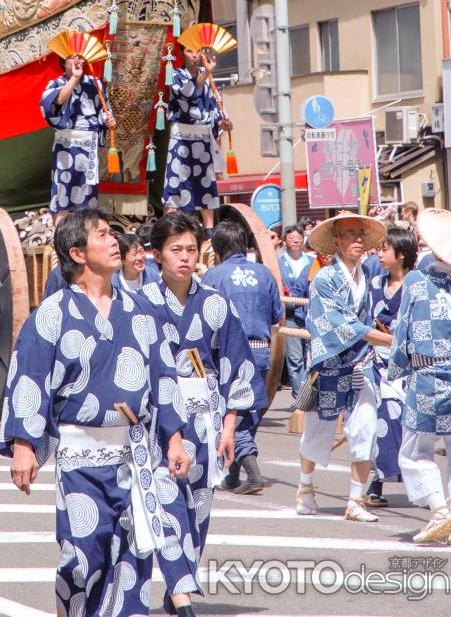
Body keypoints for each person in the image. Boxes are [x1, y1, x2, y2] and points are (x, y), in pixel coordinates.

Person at [0, 208, 194, 617]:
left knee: (131, 561)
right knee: (80, 560)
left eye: (112, 234)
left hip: (132, 457)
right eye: (102, 234)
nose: (113, 241)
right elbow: (29, 379)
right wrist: (24, 445)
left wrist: (174, 439)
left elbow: (164, 378)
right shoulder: (51, 315)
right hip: (80, 460)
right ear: (78, 253)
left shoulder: (141, 311)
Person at [139, 212, 264, 615]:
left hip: (206, 416)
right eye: (175, 250)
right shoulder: (140, 304)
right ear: (157, 254)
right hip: (159, 419)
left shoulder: (214, 302)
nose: (185, 257)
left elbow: (235, 364)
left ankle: (180, 581)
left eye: (191, 249)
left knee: (200, 508)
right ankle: (181, 593)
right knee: (167, 499)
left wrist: (229, 427)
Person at [296, 213, 392, 523]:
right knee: (317, 432)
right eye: (350, 234)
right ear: (337, 241)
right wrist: (388, 340)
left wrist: (381, 339)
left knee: (365, 427)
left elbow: (364, 322)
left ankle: (355, 500)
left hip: (360, 362)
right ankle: (305, 487)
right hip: (329, 364)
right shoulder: (325, 279)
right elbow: (339, 324)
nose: (358, 240)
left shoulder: (366, 274)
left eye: (360, 234)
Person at [389, 208, 451, 546]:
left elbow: (402, 330)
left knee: (413, 449)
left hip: (428, 372)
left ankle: (439, 511)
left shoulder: (417, 280)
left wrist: (397, 368)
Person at [202, 218, 283, 494]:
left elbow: (205, 319)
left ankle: (252, 473)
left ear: (217, 247)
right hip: (261, 351)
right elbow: (277, 315)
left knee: (233, 413)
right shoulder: (264, 273)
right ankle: (234, 474)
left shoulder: (214, 276)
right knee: (247, 414)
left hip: (230, 352)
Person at [364, 227, 419, 508]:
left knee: (410, 426)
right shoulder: (374, 284)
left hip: (412, 365)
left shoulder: (419, 285)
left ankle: (418, 482)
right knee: (379, 421)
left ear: (402, 253)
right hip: (376, 361)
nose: (380, 254)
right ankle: (377, 480)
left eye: (386, 249)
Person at [40, 47, 115, 221]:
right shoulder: (56, 83)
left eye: (79, 57)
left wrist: (108, 119)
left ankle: (85, 239)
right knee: (62, 192)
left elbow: (102, 110)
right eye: (71, 57)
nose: (76, 60)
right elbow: (55, 102)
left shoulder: (94, 83)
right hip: (67, 145)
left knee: (88, 194)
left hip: (88, 145)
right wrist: (74, 78)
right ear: (63, 62)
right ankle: (59, 236)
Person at [162, 45, 231, 231]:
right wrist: (206, 73)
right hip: (181, 139)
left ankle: (209, 232)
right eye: (189, 51)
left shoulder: (207, 76)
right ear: (181, 53)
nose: (194, 55)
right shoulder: (176, 76)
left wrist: (222, 122)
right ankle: (167, 232)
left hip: (202, 138)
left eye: (197, 51)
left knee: (206, 187)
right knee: (175, 185)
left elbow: (214, 105)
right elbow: (188, 93)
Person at [278, 225, 313, 401]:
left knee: (312, 357)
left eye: (299, 238)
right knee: (295, 359)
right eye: (291, 238)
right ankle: (299, 397)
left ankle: (311, 395)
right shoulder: (279, 263)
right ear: (284, 241)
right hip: (291, 315)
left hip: (310, 314)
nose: (296, 241)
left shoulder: (312, 261)